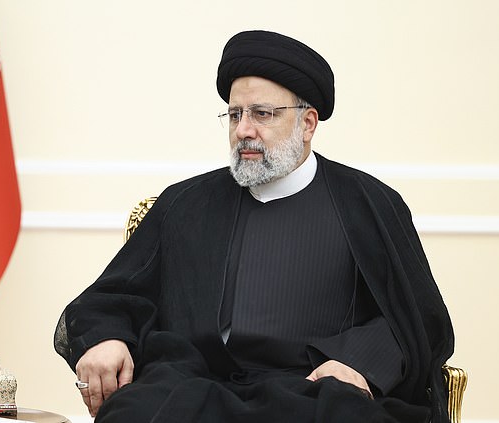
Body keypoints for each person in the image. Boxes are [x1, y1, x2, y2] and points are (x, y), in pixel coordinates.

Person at [54, 30, 454, 423]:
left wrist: (356, 363)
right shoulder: (186, 202)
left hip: (312, 390)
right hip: (191, 385)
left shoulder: (368, 203)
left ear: (308, 123)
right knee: (137, 411)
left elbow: (417, 318)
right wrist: (108, 338)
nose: (243, 129)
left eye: (262, 114)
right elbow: (114, 295)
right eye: (235, 115)